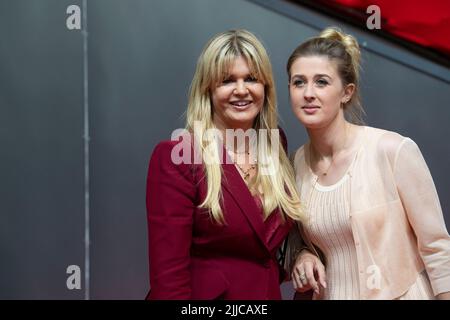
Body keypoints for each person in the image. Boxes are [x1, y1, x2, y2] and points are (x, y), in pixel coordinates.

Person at [285, 27, 450, 300]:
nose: (308, 93)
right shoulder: (295, 165)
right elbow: (296, 242)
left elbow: (437, 249)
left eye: (322, 82)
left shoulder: (392, 150)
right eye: (299, 82)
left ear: (346, 92)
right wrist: (301, 254)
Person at [145, 29, 305, 299]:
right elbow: (168, 280)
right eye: (227, 81)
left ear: (265, 87)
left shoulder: (274, 144)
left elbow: (266, 248)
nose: (241, 90)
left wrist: (302, 256)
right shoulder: (178, 156)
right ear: (208, 89)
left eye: (251, 79)